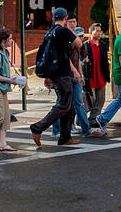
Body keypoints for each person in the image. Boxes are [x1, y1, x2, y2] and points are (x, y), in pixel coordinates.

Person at [30, 8, 82, 147]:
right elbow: (79, 43)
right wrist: (71, 30)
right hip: (62, 74)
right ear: (65, 19)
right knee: (64, 104)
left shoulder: (50, 32)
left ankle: (65, 137)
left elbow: (60, 54)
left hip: (55, 73)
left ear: (53, 18)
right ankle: (38, 127)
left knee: (68, 104)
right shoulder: (63, 31)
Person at [52, 17, 90, 141]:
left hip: (76, 76)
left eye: (74, 22)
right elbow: (65, 58)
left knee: (78, 102)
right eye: (70, 22)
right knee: (61, 102)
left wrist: (80, 74)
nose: (73, 24)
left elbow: (77, 57)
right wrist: (74, 71)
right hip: (66, 75)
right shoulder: (63, 35)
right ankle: (56, 129)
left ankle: (86, 129)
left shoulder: (75, 36)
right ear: (65, 22)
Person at [81, 22, 109, 122]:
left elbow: (105, 61)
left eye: (100, 31)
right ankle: (81, 119)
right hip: (90, 77)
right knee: (89, 100)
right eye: (96, 31)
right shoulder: (85, 45)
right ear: (90, 32)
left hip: (101, 76)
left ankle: (93, 119)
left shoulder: (102, 45)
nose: (98, 33)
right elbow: (81, 61)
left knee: (100, 100)